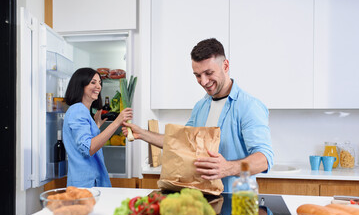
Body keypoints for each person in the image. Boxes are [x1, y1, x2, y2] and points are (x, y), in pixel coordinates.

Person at [123, 38, 274, 192]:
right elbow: (181, 143)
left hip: (235, 202)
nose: (203, 81)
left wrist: (229, 168)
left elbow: (264, 159)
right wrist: (141, 133)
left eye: (209, 73)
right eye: (197, 75)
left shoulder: (249, 106)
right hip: (201, 198)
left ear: (226, 66)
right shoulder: (201, 107)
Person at [63, 68, 133, 187]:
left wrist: (96, 126)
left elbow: (83, 141)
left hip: (89, 181)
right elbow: (88, 148)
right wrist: (116, 122)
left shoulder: (82, 111)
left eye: (100, 82)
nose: (98, 86)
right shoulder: (78, 110)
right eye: (93, 82)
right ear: (81, 85)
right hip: (87, 185)